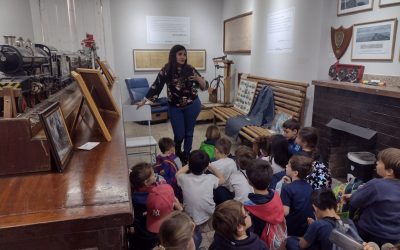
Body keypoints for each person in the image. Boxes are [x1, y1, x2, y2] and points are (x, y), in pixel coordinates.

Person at [137, 45, 208, 164]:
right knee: (179, 135)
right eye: (180, 54)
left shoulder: (190, 69)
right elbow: (156, 85)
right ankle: (177, 151)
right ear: (173, 55)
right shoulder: (166, 69)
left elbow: (204, 86)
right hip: (175, 107)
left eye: (185, 54)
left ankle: (186, 155)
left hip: (192, 105)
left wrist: (200, 80)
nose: (183, 57)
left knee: (189, 132)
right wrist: (144, 100)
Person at [344, 148, 400, 246]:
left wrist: (353, 196)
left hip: (369, 231)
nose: (376, 163)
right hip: (394, 236)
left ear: (389, 171)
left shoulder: (376, 185)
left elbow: (355, 201)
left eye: (380, 162)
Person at [176, 150, 225, 248]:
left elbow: (177, 173)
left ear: (189, 164)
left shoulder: (183, 178)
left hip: (190, 215)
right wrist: (211, 166)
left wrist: (189, 165)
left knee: (195, 233)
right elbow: (223, 180)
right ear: (206, 168)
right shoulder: (210, 178)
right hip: (208, 214)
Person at [286, 189, 358, 250]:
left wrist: (312, 228)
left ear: (315, 208)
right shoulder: (349, 222)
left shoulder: (318, 225)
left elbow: (302, 245)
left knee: (290, 241)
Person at [244, 159, 287, 249]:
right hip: (276, 240)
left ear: (248, 180)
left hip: (260, 243)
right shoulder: (276, 195)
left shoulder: (249, 208)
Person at [280, 156, 315, 237]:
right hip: (305, 228)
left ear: (295, 173)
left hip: (292, 229)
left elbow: (285, 212)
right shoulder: (309, 186)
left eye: (288, 165)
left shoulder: (286, 188)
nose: (286, 166)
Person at [211, 137, 237, 204]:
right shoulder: (233, 162)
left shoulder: (213, 165)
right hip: (231, 193)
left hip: (220, 193)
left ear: (216, 150)